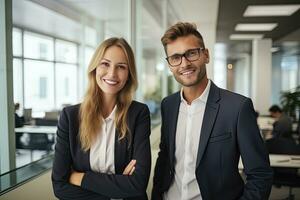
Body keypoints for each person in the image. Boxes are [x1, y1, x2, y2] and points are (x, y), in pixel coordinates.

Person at [151, 22, 273, 200]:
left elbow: (260, 174)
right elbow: (165, 158)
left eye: (191, 53)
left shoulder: (237, 107)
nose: (184, 63)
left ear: (205, 55)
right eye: (175, 57)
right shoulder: (168, 105)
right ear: (170, 64)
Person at [52, 37, 151, 200]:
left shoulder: (138, 114)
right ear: (95, 68)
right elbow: (60, 187)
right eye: (105, 64)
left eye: (121, 67)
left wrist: (78, 177)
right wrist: (117, 191)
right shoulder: (70, 117)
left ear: (129, 74)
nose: (112, 73)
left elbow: (138, 184)